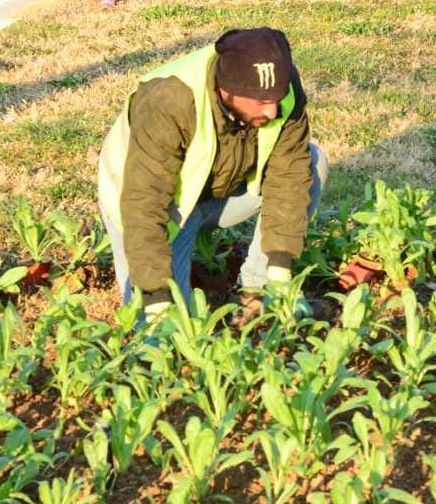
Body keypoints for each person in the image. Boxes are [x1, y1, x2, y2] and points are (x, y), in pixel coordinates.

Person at [98, 26, 326, 318]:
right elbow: (144, 205)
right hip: (158, 207)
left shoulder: (282, 91)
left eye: (276, 99)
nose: (271, 112)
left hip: (219, 193)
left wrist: (280, 277)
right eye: (260, 102)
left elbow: (289, 176)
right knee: (165, 325)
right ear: (227, 90)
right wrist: (156, 300)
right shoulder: (168, 100)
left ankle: (257, 289)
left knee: (312, 162)